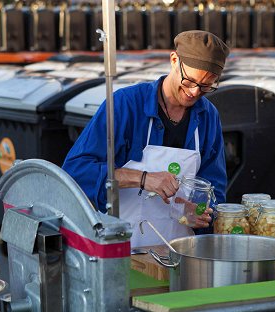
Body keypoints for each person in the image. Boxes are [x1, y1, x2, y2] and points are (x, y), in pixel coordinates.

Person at [62, 30, 230, 247]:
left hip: (180, 253)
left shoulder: (207, 116)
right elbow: (75, 171)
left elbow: (214, 187)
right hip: (122, 250)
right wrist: (142, 178)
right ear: (173, 60)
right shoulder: (125, 104)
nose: (195, 92)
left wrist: (202, 212)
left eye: (207, 86)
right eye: (189, 81)